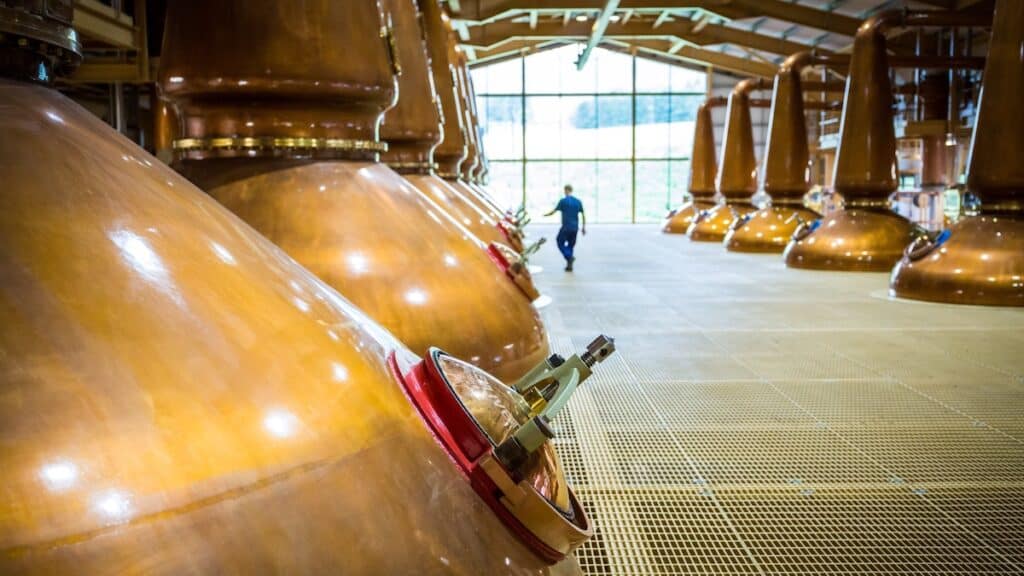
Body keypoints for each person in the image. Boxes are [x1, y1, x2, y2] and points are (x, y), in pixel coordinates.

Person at [545, 184, 586, 272]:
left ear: (566, 190)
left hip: (566, 227)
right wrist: (583, 227)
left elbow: (553, 211)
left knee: (559, 241)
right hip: (575, 228)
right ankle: (569, 265)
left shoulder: (563, 201)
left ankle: (569, 257)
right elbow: (583, 214)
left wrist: (545, 215)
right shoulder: (578, 201)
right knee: (571, 245)